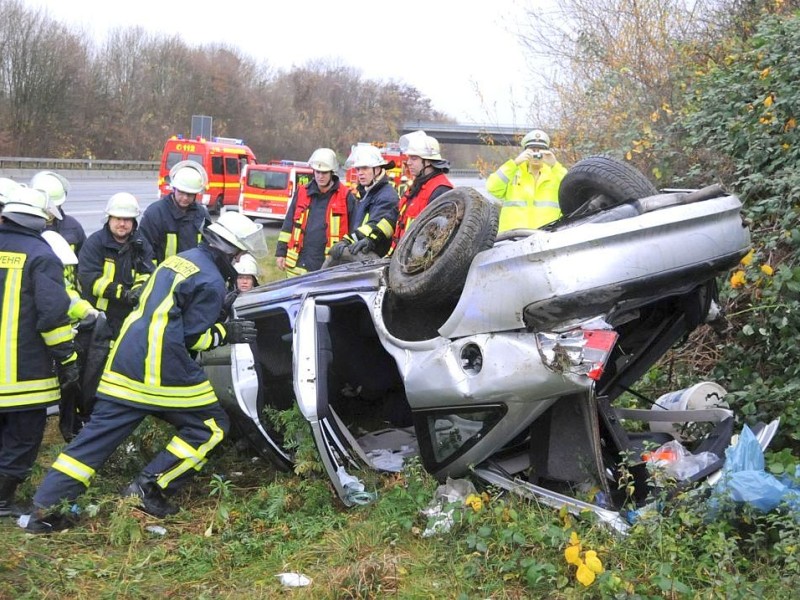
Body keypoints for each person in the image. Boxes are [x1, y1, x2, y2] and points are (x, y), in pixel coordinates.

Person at [26, 212, 264, 533]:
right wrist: (226, 332)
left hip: (126, 362)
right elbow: (193, 338)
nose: (239, 259)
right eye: (239, 253)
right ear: (229, 250)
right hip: (161, 368)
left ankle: (46, 508)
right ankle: (148, 489)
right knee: (211, 427)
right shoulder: (210, 282)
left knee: (94, 440)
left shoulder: (181, 260)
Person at [0, 187, 79, 518]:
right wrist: (68, 358)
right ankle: (2, 499)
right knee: (22, 437)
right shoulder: (41, 256)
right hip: (22, 373)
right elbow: (53, 317)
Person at [78, 192, 155, 337]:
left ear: (133, 222)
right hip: (99, 318)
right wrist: (122, 293)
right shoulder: (95, 243)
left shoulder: (142, 244)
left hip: (131, 318)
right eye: (118, 218)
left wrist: (139, 290)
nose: (122, 224)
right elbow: (89, 278)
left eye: (127, 219)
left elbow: (148, 272)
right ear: (109, 219)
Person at [275, 148, 356, 277]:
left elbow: (353, 229)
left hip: (328, 265)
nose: (320, 176)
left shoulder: (345, 196)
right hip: (298, 264)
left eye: (324, 172)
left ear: (332, 172)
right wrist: (280, 252)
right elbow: (288, 225)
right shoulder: (302, 192)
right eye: (317, 172)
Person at [486, 129, 567, 232]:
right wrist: (514, 163)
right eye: (532, 150)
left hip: (546, 237)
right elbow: (491, 187)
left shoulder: (555, 174)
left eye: (540, 150)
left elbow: (572, 190)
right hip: (511, 237)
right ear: (524, 152)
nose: (536, 154)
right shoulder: (512, 172)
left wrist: (555, 165)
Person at [329, 144, 399, 261]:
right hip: (361, 259)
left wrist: (348, 240)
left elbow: (374, 226)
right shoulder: (367, 193)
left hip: (372, 260)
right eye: (358, 169)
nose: (360, 173)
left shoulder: (386, 196)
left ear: (377, 169)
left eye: (365, 168)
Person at [390, 130, 453, 252]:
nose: (408, 162)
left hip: (415, 264)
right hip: (399, 259)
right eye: (408, 158)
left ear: (428, 161)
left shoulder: (441, 190)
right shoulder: (417, 186)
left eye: (414, 158)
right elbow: (396, 215)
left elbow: (438, 239)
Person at [139, 161, 211, 265]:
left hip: (194, 278)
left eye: (190, 194)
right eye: (181, 192)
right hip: (164, 277)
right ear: (174, 189)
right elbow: (145, 251)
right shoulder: (155, 213)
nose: (185, 198)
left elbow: (208, 248)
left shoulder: (202, 215)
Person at [31, 170, 87, 286]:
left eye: (54, 206)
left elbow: (84, 263)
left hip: (69, 294)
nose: (50, 211)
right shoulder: (26, 228)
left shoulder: (73, 227)